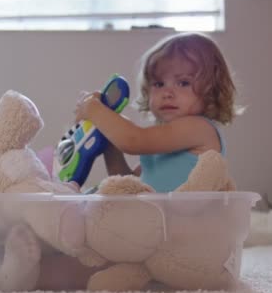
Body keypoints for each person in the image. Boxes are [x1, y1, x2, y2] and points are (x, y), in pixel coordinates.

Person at [75, 32, 241, 192]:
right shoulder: (163, 140)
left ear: (212, 91)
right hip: (159, 218)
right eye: (159, 84)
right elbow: (130, 185)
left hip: (189, 220)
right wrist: (111, 145)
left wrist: (94, 109)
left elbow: (134, 140)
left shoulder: (199, 128)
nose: (167, 93)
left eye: (183, 83)